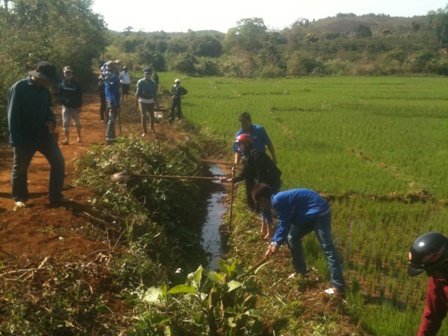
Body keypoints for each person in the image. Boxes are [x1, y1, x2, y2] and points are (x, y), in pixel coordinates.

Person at [252, 183, 345, 295]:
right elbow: (283, 225)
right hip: (310, 214)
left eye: (260, 203)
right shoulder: (277, 200)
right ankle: (301, 272)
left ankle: (338, 286)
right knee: (292, 237)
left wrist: (276, 244)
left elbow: (284, 224)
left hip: (320, 213)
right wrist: (273, 243)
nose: (262, 207)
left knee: (328, 248)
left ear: (262, 199)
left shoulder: (277, 200)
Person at [7, 61, 68, 206]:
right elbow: (12, 116)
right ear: (40, 77)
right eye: (49, 80)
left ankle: (55, 196)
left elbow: (48, 111)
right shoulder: (19, 88)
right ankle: (20, 198)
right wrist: (15, 140)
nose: (50, 83)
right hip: (25, 137)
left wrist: (51, 121)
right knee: (20, 167)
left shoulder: (44, 90)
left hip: (44, 135)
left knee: (58, 162)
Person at [223, 134, 281, 239]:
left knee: (266, 204)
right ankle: (263, 229)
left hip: (272, 180)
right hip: (264, 181)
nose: (238, 147)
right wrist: (232, 180)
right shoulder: (247, 157)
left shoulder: (256, 154)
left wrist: (259, 187)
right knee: (262, 205)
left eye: (240, 144)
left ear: (246, 144)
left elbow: (261, 172)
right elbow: (245, 173)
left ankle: (270, 232)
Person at [233, 112, 277, 212]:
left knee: (260, 184)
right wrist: (236, 163)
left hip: (260, 163)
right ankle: (251, 208)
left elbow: (269, 144)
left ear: (250, 121)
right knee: (249, 186)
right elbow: (237, 152)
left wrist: (274, 157)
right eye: (241, 124)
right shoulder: (239, 134)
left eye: (245, 123)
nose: (243, 126)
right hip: (248, 163)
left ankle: (263, 207)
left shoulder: (259, 130)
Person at [408, 232, 448, 335]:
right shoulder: (438, 280)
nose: (429, 275)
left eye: (430, 271)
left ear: (442, 264)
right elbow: (432, 315)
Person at [56, 66, 83, 145]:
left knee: (77, 123)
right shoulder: (62, 83)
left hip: (75, 107)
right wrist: (53, 92)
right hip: (65, 106)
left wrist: (79, 106)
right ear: (64, 73)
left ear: (71, 73)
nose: (68, 74)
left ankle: (79, 137)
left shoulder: (77, 84)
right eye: (66, 72)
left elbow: (79, 95)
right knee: (65, 122)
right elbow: (59, 94)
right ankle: (67, 139)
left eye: (69, 72)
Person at [102, 61, 121, 143]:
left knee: (111, 118)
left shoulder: (104, 74)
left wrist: (113, 61)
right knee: (112, 119)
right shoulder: (115, 79)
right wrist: (118, 105)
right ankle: (109, 137)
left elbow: (104, 65)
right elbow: (115, 93)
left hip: (107, 99)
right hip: (113, 100)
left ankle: (112, 136)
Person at [135, 68, 158, 136]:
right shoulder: (140, 82)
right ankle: (144, 130)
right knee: (143, 115)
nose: (147, 75)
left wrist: (157, 102)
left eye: (148, 74)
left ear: (150, 74)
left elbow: (155, 93)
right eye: (146, 73)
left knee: (152, 115)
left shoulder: (153, 83)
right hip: (142, 100)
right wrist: (136, 102)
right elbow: (138, 92)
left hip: (150, 100)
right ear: (144, 74)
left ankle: (152, 128)